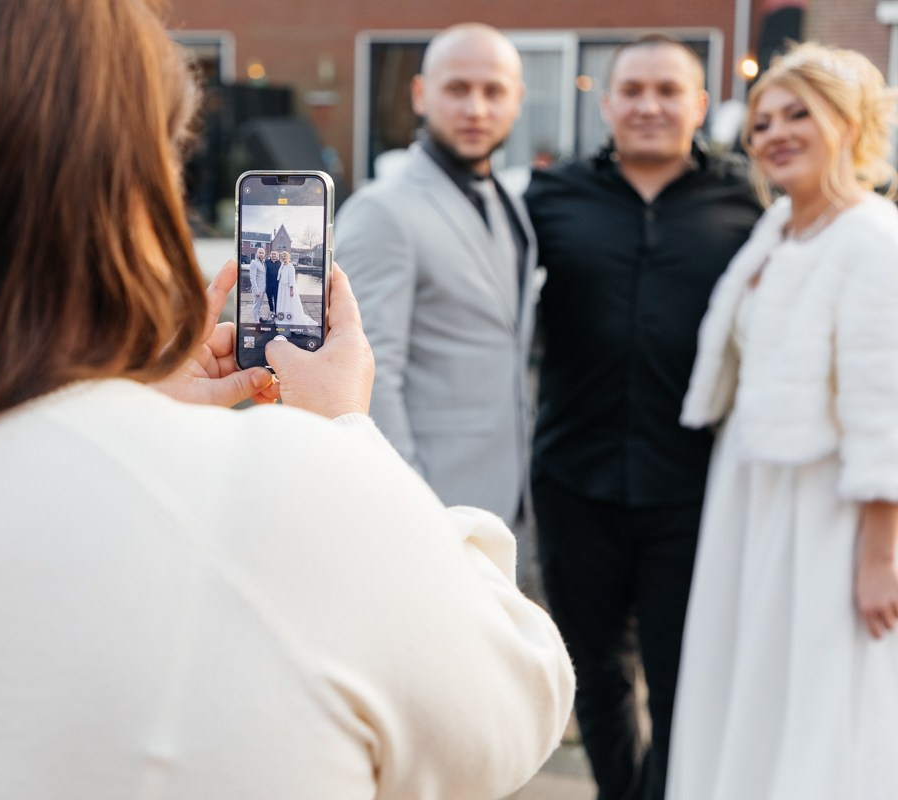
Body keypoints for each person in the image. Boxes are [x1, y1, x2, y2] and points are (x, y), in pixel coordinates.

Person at [0, 1, 574, 798]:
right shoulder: (300, 493)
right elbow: (520, 692)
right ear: (134, 184)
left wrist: (128, 416)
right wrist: (341, 433)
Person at [523, 34, 762, 800]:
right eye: (634, 91)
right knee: (590, 674)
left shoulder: (750, 202)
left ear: (699, 103)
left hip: (692, 487)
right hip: (573, 477)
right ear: (608, 101)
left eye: (669, 91)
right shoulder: (549, 199)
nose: (651, 105)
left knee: (682, 677)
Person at [668, 43, 898, 800]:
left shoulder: (870, 237)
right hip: (751, 483)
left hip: (826, 506)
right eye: (763, 121)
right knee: (750, 679)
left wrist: (878, 555)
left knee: (822, 689)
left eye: (800, 113)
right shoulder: (776, 229)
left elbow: (882, 403)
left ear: (849, 123)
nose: (776, 133)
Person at [334, 23, 535, 520]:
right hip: (427, 501)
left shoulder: (510, 200)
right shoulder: (383, 211)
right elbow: (369, 373)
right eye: (457, 88)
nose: (476, 108)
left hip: (505, 492)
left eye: (494, 91)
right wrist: (407, 503)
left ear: (518, 99)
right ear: (421, 94)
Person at [274, 250, 315, 326]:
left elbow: (292, 279)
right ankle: (282, 316)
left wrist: (291, 290)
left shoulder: (290, 266)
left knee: (288, 303)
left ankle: (290, 319)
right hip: (282, 287)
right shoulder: (282, 265)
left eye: (285, 256)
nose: (283, 258)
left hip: (287, 287)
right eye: (282, 256)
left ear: (288, 257)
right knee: (283, 302)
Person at [248, 246, 267, 323]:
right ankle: (256, 322)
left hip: (263, 288)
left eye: (262, 253)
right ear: (257, 253)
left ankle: (259, 317)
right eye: (260, 252)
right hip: (258, 290)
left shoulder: (263, 263)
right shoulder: (254, 263)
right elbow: (252, 278)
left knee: (260, 305)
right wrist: (256, 290)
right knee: (256, 306)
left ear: (264, 254)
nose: (261, 254)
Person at [265, 249, 282, 319]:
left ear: (277, 255)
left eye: (275, 254)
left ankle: (276, 312)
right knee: (269, 299)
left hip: (277, 285)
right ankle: (271, 311)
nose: (274, 255)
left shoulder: (279, 263)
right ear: (270, 255)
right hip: (268, 285)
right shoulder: (266, 262)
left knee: (276, 299)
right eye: (272, 254)